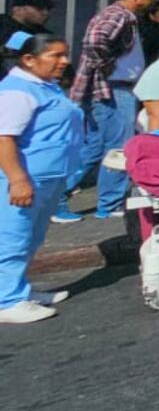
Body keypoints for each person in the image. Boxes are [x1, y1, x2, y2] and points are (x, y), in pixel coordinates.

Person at [0, 32, 83, 323]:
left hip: (48, 177)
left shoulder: (45, 86)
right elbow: (4, 139)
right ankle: (6, 300)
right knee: (12, 238)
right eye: (56, 56)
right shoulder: (17, 91)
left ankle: (20, 290)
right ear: (28, 59)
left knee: (31, 237)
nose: (64, 61)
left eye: (65, 54)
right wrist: (17, 179)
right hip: (23, 178)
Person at [65, 0, 159, 221]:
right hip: (112, 89)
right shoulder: (119, 15)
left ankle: (58, 198)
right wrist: (105, 64)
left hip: (109, 88)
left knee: (95, 148)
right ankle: (110, 204)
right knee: (119, 148)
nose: (152, 0)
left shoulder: (121, 16)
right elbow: (95, 41)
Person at [0, 0, 54, 76]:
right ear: (18, 9)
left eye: (48, 8)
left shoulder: (45, 34)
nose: (45, 13)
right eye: (39, 8)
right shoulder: (3, 24)